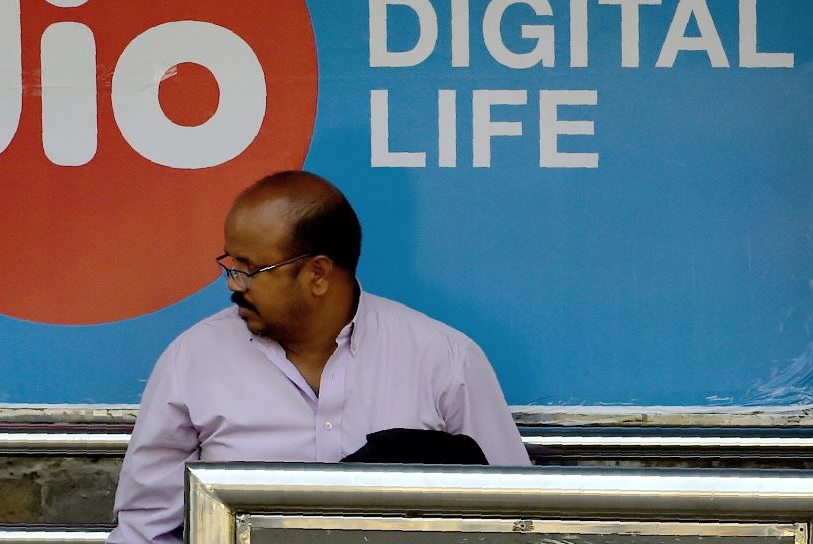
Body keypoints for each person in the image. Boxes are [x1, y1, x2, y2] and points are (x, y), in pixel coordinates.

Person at [108, 171, 529, 544]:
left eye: (250, 269)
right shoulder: (193, 361)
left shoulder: (445, 360)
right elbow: (146, 531)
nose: (234, 284)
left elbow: (518, 517)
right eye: (230, 265)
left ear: (317, 274)